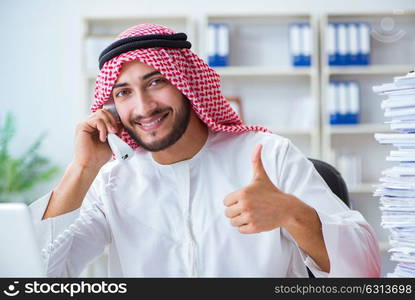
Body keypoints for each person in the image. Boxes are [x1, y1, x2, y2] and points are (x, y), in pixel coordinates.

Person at [29, 24, 380, 277]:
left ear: (187, 85)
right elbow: (36, 276)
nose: (143, 106)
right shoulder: (113, 181)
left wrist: (292, 213)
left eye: (156, 82)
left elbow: (364, 272)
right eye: (123, 93)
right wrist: (82, 169)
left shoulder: (269, 156)